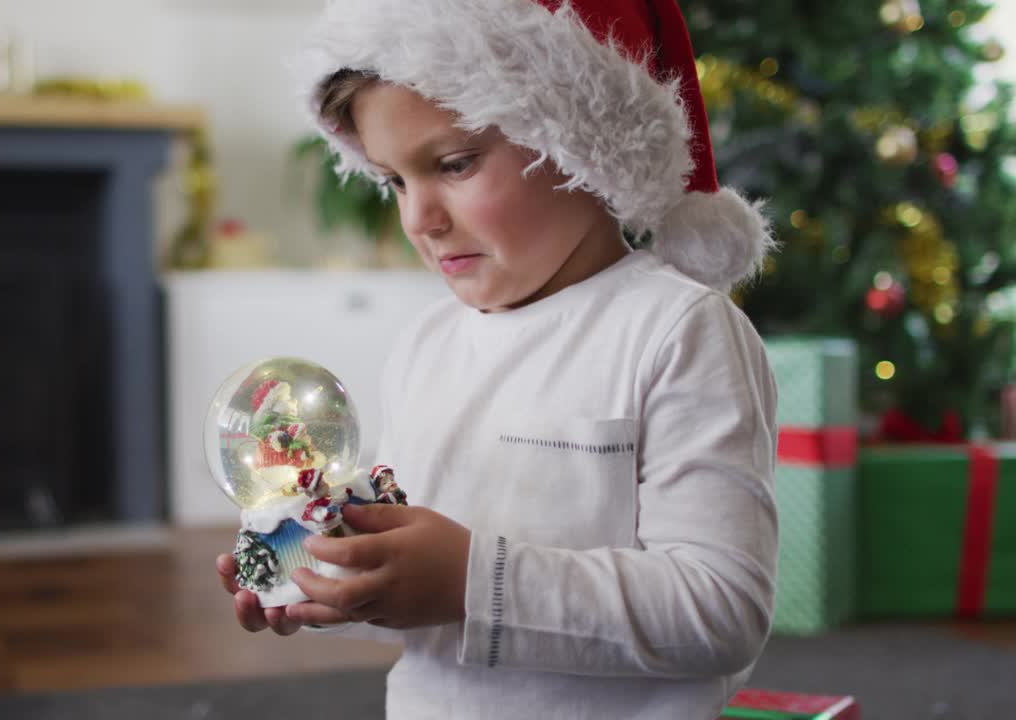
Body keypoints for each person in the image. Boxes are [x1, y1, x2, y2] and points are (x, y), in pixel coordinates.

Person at [216, 0, 780, 717]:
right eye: (394, 180)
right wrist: (334, 579)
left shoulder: (676, 331)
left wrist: (474, 582)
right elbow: (423, 593)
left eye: (453, 164)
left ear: (580, 139)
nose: (419, 218)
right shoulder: (427, 345)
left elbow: (722, 611)